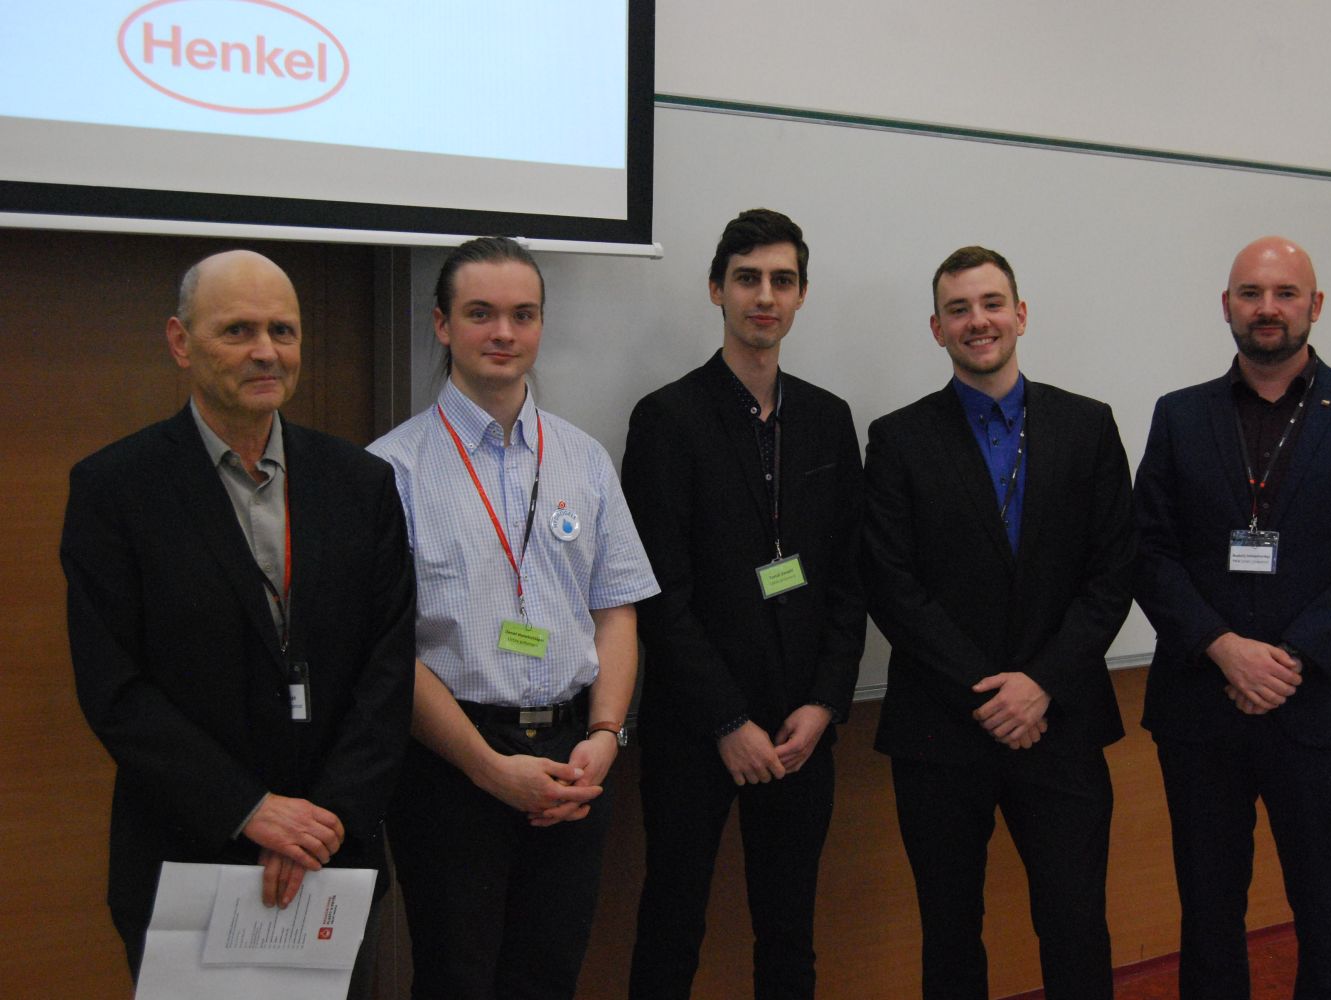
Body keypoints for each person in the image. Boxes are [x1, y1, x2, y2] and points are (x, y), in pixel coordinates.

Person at [60, 249, 416, 987]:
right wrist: (249, 809)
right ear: (180, 341)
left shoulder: (361, 484)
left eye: (282, 330)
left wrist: (323, 818)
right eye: (238, 330)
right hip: (189, 855)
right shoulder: (115, 490)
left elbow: (387, 668)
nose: (266, 351)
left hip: (331, 856)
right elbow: (114, 689)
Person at [368, 236, 658, 999]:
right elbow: (387, 650)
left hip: (572, 757)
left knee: (548, 976)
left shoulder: (583, 459)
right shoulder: (388, 471)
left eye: (522, 314)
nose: (503, 332)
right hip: (450, 766)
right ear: (442, 325)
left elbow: (615, 610)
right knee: (457, 979)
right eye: (480, 314)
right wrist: (487, 767)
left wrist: (605, 735)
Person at [1134, 236, 1331, 1000]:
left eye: (1285, 293)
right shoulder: (1179, 415)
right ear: (1225, 306)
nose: (1267, 308)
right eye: (1250, 293)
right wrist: (1222, 647)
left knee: (1327, 912)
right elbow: (1148, 551)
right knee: (1207, 914)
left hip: (1319, 707)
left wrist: (1289, 657)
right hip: (1201, 709)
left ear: (1313, 305)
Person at [862, 245, 1134, 1000]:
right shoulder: (898, 439)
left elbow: (1113, 573)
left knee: (1076, 926)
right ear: (936, 328)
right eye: (958, 309)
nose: (976, 321)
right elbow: (891, 584)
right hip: (941, 728)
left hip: (1061, 721)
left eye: (990, 304)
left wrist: (1040, 684)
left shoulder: (1088, 426)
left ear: (1020, 314)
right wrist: (989, 692)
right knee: (950, 934)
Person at [622, 208, 866, 1000]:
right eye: (748, 279)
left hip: (801, 728)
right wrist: (727, 721)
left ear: (801, 295)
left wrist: (825, 703)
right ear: (715, 290)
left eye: (782, 281)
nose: (765, 296)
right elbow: (657, 593)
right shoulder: (666, 419)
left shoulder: (827, 419)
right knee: (672, 924)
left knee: (790, 931)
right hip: (696, 729)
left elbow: (847, 580)